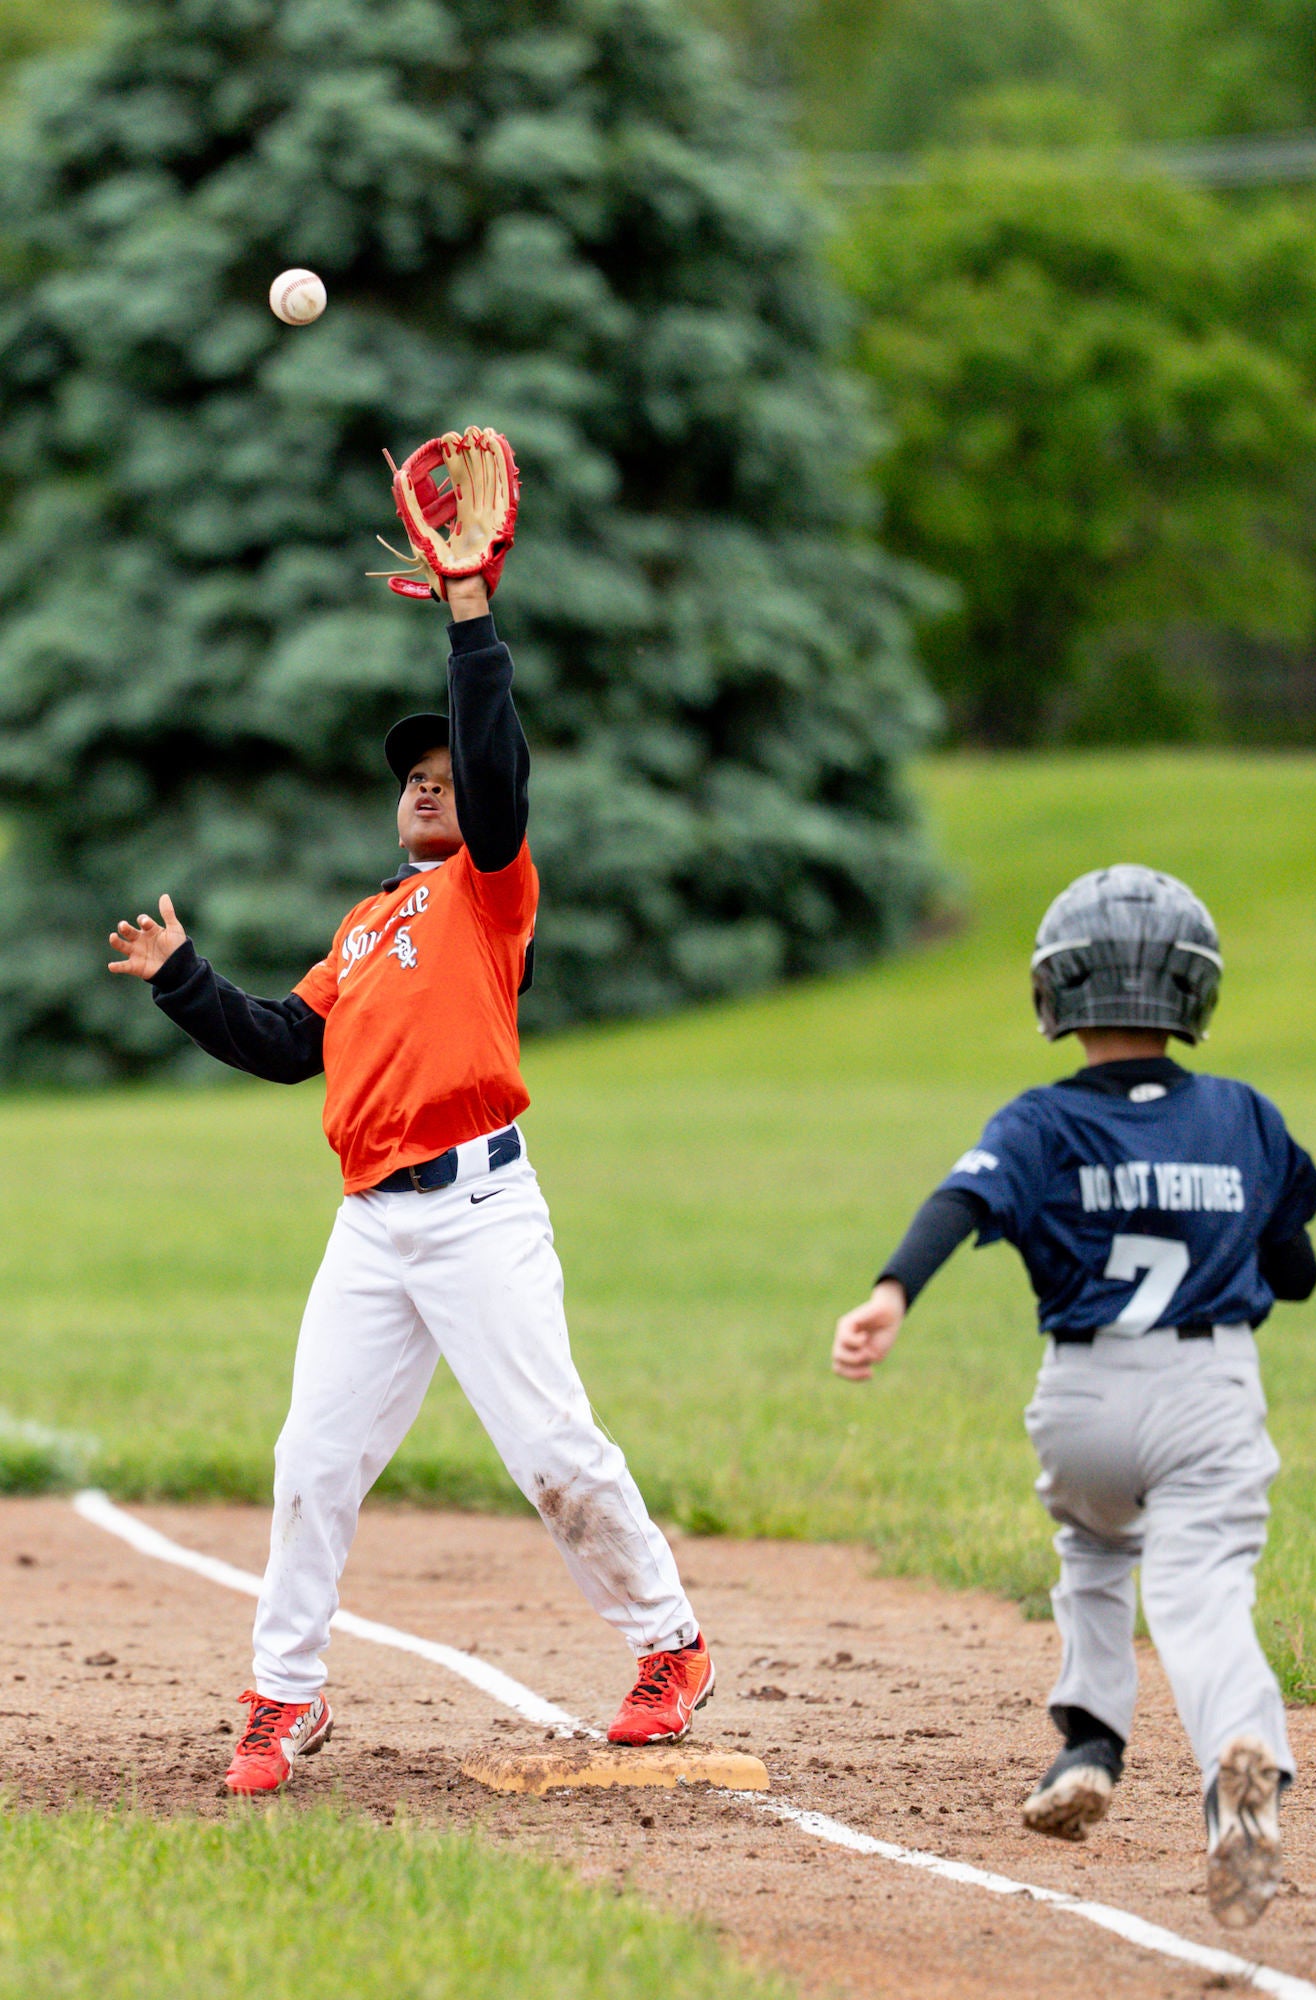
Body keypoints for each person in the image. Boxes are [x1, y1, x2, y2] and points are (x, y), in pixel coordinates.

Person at [107, 440, 712, 1794]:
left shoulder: (491, 891)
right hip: (373, 1228)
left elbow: (497, 776)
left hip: (484, 1209)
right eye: (413, 775)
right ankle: (284, 1695)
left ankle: (668, 1645)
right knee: (312, 1459)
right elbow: (283, 1045)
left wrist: (469, 617)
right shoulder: (369, 923)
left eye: (443, 771)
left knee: (554, 1454)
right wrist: (186, 981)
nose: (429, 781)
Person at [831, 865, 1316, 1930]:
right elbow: (1296, 1261)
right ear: (1195, 992)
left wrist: (890, 1293)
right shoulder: (1243, 1114)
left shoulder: (1039, 1120)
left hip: (1083, 1389)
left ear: (1056, 990)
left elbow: (958, 1200)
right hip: (1206, 1383)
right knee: (1199, 1593)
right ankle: (1239, 1763)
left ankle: (1089, 1739)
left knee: (1095, 1554)